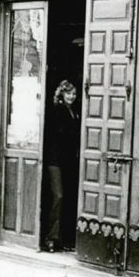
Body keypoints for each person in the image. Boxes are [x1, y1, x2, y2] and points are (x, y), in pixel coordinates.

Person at [43, 80, 80, 252]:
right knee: (58, 197)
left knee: (68, 198)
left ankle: (64, 239)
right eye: (68, 93)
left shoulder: (74, 111)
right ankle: (50, 238)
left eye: (73, 93)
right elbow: (58, 135)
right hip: (55, 160)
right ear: (62, 94)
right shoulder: (57, 110)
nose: (71, 96)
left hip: (68, 161)